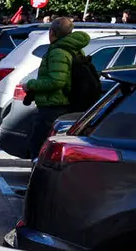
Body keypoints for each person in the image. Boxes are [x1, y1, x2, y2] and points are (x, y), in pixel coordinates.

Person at [23, 17, 92, 154]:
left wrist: (31, 85)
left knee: (39, 145)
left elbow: (56, 81)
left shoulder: (58, 52)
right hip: (63, 104)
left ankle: (40, 173)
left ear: (52, 32)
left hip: (53, 105)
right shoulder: (72, 49)